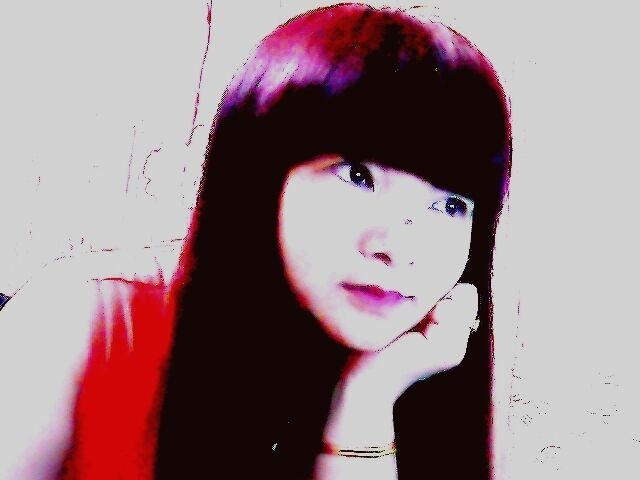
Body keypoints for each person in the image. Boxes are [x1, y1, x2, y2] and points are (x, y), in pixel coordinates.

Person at [0, 4, 510, 479]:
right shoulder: (88, 322)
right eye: (358, 176)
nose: (400, 248)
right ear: (261, 175)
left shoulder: (435, 371)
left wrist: (366, 404)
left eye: (450, 206)